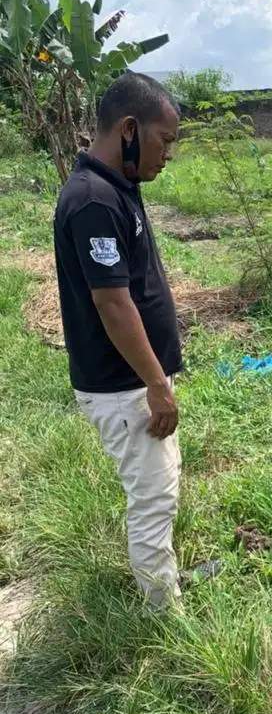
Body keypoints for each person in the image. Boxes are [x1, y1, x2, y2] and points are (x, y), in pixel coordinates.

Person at [54, 72, 183, 612]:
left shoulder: (116, 189)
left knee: (162, 488)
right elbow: (113, 303)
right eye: (164, 140)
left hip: (137, 381)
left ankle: (165, 579)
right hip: (123, 385)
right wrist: (156, 383)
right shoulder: (93, 202)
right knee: (153, 498)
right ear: (129, 129)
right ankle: (164, 620)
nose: (168, 155)